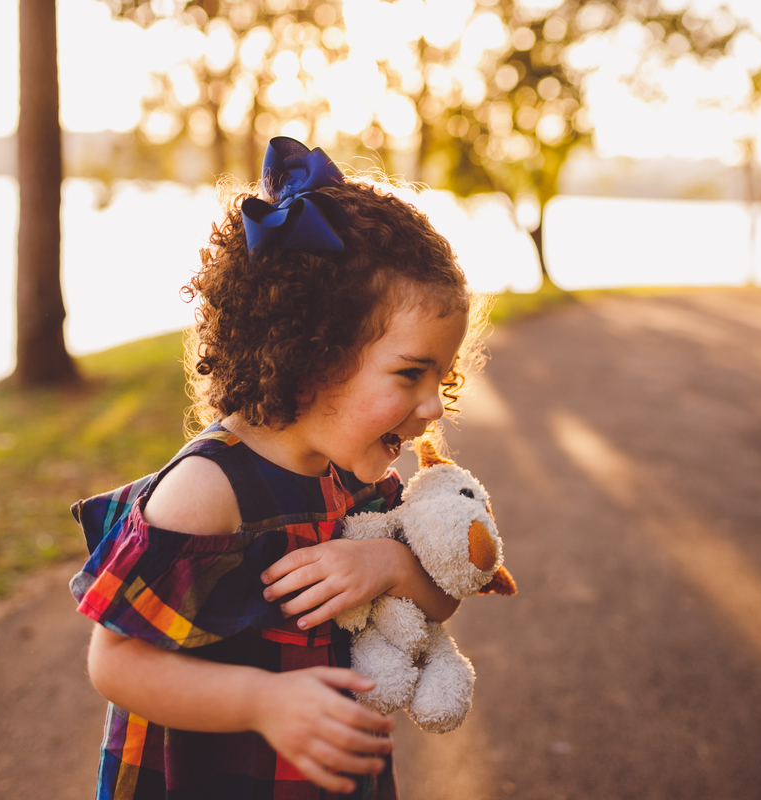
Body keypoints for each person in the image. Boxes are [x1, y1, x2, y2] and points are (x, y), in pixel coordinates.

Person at [69, 137, 489, 800]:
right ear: (312, 355)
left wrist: (389, 566)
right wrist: (262, 702)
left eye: (444, 375)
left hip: (325, 774)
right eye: (412, 373)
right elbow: (116, 662)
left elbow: (441, 596)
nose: (435, 404)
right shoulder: (209, 492)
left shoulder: (360, 479)